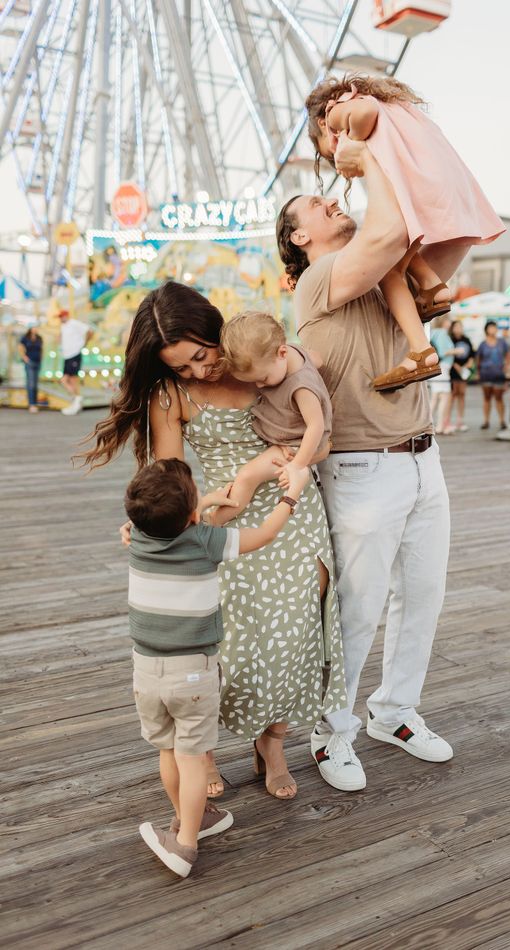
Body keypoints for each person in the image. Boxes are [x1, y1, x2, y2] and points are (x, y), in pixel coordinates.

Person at [81, 281, 346, 802]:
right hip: (219, 518)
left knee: (295, 634)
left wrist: (254, 475)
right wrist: (156, 519)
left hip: (292, 510)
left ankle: (272, 742)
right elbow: (172, 472)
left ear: (214, 330)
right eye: (184, 367)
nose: (200, 371)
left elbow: (323, 439)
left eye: (202, 355)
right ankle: (200, 750)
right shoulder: (171, 395)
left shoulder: (262, 363)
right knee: (225, 645)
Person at [276, 132, 454, 794]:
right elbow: (389, 227)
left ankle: (395, 711)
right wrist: (370, 158)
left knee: (423, 596)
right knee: (358, 607)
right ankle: (331, 729)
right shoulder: (322, 279)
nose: (329, 200)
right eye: (314, 206)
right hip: (360, 468)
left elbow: (424, 243)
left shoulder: (383, 274)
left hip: (421, 456)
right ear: (298, 239)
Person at [125, 457, 309, 877]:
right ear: (192, 516)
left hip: (146, 671)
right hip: (192, 671)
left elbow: (158, 520)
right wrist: (291, 492)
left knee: (169, 751)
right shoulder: (205, 541)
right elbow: (263, 534)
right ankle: (185, 844)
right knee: (192, 760)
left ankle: (193, 818)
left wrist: (201, 501)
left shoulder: (135, 535)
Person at [304, 73, 504, 392]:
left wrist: (352, 140)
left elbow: (364, 114)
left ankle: (421, 351)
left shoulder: (337, 111)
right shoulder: (397, 109)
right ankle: (431, 285)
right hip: (446, 181)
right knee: (401, 260)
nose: (332, 152)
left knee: (389, 271)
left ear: (322, 121)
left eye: (325, 146)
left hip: (420, 183)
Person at [214, 310, 332, 522]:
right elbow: (319, 360)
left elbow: (316, 425)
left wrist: (297, 465)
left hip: (295, 445)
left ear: (282, 353)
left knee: (247, 477)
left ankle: (211, 523)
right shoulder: (294, 353)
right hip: (294, 439)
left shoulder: (300, 386)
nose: (259, 386)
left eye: (263, 378)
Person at [58, 309, 93, 415]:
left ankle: (77, 399)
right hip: (67, 355)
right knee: (66, 380)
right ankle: (76, 400)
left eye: (61, 316)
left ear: (66, 316)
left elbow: (90, 331)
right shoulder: (63, 326)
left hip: (74, 354)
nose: (60, 319)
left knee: (71, 379)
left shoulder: (74, 323)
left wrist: (84, 343)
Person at [477, 321, 508, 430]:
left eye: (494, 327)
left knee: (499, 398)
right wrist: (478, 373)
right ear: (486, 330)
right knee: (487, 398)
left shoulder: (502, 342)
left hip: (499, 374)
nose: (492, 330)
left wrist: (507, 368)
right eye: (490, 328)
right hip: (486, 374)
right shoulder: (483, 344)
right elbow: (478, 360)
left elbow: (508, 356)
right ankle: (486, 420)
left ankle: (502, 420)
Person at [429, 315, 456, 434]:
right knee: (444, 397)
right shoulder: (442, 333)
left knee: (434, 397)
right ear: (444, 321)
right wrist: (458, 351)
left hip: (436, 368)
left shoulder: (433, 333)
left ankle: (429, 423)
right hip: (443, 368)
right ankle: (439, 425)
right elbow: (443, 352)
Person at [446, 320, 475, 432]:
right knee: (452, 395)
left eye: (460, 326)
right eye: (456, 327)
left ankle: (460, 420)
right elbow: (447, 353)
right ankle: (447, 420)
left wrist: (468, 365)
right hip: (453, 371)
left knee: (462, 395)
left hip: (464, 371)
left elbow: (472, 354)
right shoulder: (450, 339)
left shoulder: (466, 340)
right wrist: (456, 366)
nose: (458, 329)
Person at [18, 326, 43, 413]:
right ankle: (32, 404)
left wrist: (41, 358)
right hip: (29, 362)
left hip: (37, 362)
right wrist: (24, 357)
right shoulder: (25, 338)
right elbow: (20, 348)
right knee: (31, 383)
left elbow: (41, 349)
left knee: (35, 384)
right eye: (34, 327)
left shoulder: (39, 338)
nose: (35, 329)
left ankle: (34, 403)